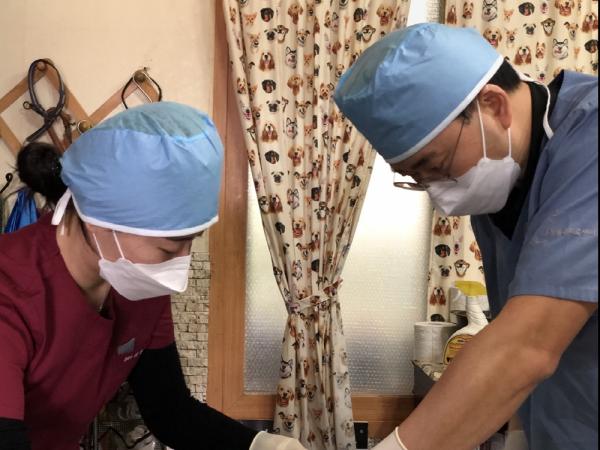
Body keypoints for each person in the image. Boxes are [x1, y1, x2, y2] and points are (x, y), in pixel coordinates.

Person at [334, 23, 597, 450]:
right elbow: (512, 332)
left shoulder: (590, 145)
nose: (438, 193)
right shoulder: (498, 185)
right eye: (415, 178)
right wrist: (519, 433)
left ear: (493, 105)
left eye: (435, 165)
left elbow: (526, 347)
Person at [0, 102, 305, 450]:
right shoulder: (11, 289)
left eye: (192, 241)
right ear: (101, 221)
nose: (180, 267)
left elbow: (170, 411)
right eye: (167, 248)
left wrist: (259, 445)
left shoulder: (137, 284)